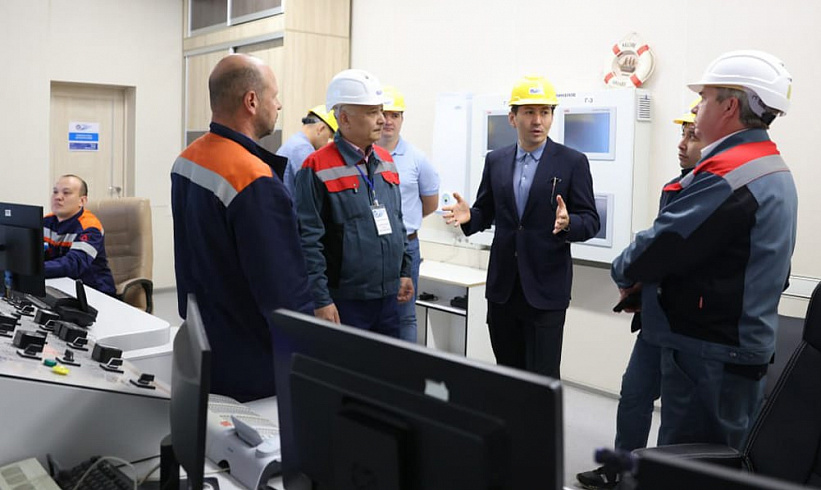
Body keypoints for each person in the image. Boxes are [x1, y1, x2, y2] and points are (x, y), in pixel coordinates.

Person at [611, 50, 797, 451]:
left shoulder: (729, 173)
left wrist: (624, 271)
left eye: (705, 97)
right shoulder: (770, 165)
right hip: (735, 348)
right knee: (720, 460)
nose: (697, 107)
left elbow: (663, 243)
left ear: (729, 107)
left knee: (689, 462)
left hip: (711, 353)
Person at [576, 99, 705, 490]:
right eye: (681, 134)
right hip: (656, 317)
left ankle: (660, 478)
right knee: (634, 393)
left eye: (692, 135)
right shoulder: (675, 187)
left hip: (690, 325)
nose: (681, 143)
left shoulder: (715, 192)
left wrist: (632, 270)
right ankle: (618, 469)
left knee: (679, 415)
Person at [171, 53, 314, 402]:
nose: (279, 105)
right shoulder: (253, 179)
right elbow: (283, 292)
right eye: (274, 96)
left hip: (205, 342)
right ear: (251, 101)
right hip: (254, 363)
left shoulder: (187, 159)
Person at [442, 75, 600, 379]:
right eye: (529, 112)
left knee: (542, 378)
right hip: (503, 289)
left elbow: (591, 219)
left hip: (545, 289)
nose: (537, 121)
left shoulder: (572, 162)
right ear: (513, 118)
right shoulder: (496, 161)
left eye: (545, 112)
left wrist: (570, 223)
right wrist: (470, 217)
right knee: (507, 375)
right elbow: (486, 212)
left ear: (552, 116)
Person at [294, 69, 413, 337]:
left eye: (381, 110)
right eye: (372, 112)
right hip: (345, 301)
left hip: (388, 297)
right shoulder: (316, 166)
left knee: (388, 364)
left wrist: (404, 270)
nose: (382, 119)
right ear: (344, 118)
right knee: (348, 364)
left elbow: (397, 220)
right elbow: (308, 240)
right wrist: (321, 299)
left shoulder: (386, 160)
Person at [377, 85, 440, 343]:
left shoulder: (417, 159)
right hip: (371, 247)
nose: (389, 121)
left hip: (406, 246)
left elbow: (430, 204)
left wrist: (401, 224)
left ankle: (404, 367)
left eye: (395, 115)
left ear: (402, 119)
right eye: (384, 114)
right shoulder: (363, 155)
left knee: (404, 314)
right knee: (374, 313)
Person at [43, 174, 116, 296]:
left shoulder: (90, 227)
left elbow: (74, 264)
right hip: (59, 287)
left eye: (66, 193)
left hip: (93, 293)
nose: (58, 197)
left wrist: (33, 269)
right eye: (55, 192)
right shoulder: (45, 222)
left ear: (82, 201)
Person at [278, 105, 338, 198]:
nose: (327, 143)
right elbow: (312, 191)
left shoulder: (296, 142)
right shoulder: (303, 149)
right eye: (329, 137)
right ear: (320, 129)